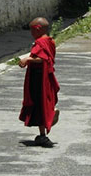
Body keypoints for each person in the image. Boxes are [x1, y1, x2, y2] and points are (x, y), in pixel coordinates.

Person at [18, 17, 60, 147]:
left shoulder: (41, 42)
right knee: (41, 104)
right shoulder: (50, 41)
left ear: (37, 29)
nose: (31, 34)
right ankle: (42, 133)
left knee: (40, 104)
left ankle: (50, 116)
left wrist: (27, 59)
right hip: (44, 77)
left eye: (32, 30)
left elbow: (44, 59)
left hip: (39, 79)